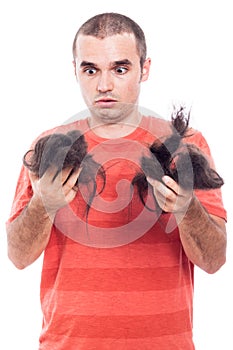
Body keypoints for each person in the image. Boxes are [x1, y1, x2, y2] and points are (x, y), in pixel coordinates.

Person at [6, 12, 227, 350]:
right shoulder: (48, 147)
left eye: (120, 69)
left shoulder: (185, 146)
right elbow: (18, 257)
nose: (104, 85)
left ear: (145, 68)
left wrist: (187, 207)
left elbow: (214, 260)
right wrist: (44, 204)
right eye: (90, 69)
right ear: (75, 70)